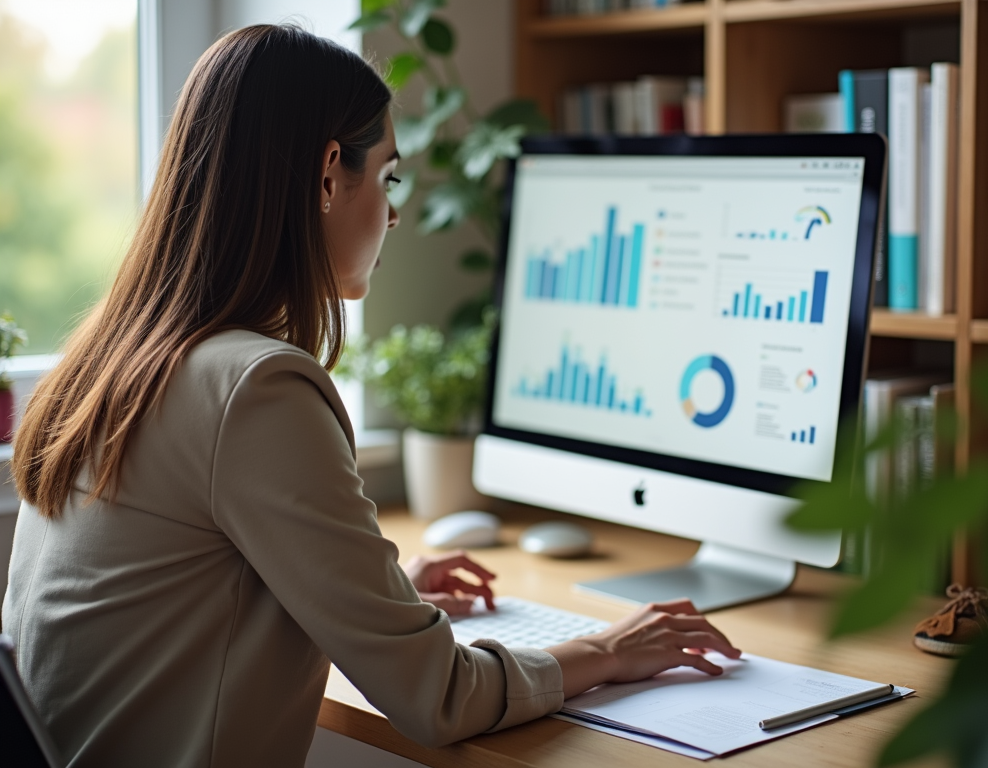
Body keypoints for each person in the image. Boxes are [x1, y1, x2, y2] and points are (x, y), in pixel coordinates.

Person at [3, 24, 741, 768]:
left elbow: (186, 588)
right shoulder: (256, 388)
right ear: (328, 175)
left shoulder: (107, 362)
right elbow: (438, 697)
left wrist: (371, 594)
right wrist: (607, 649)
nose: (392, 214)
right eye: (387, 176)